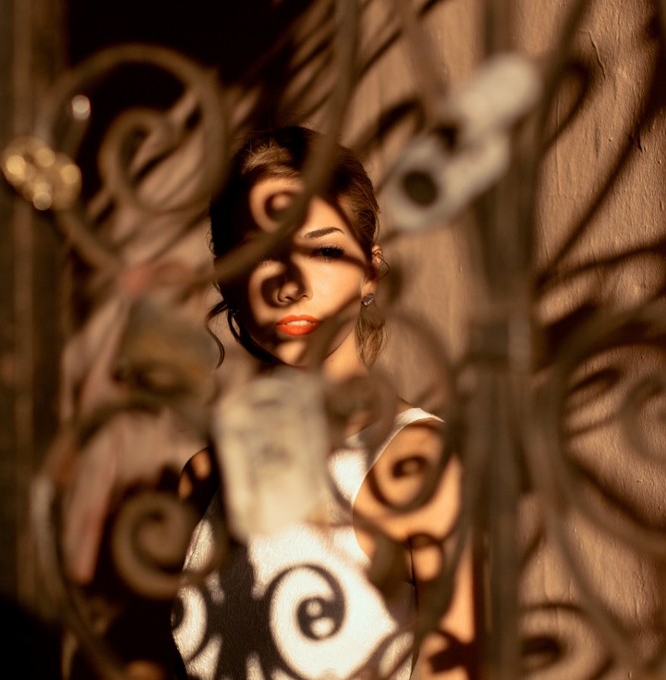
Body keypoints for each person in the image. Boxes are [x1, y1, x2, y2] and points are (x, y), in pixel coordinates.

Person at [172, 126, 470, 680]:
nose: (291, 284)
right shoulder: (205, 479)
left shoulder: (417, 463)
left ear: (370, 272)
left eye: (324, 250)